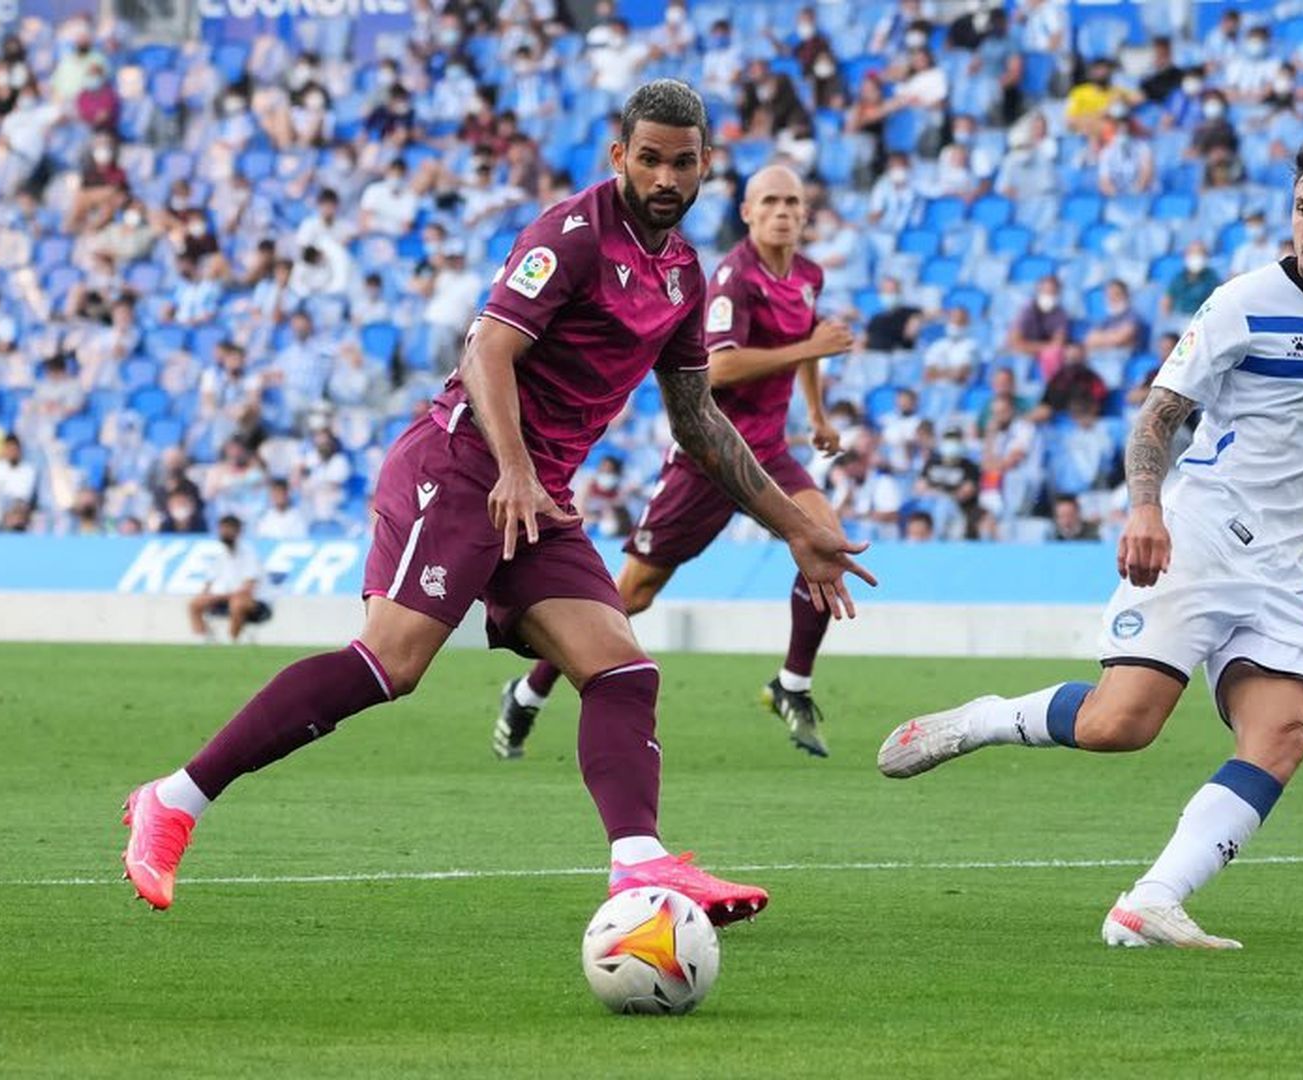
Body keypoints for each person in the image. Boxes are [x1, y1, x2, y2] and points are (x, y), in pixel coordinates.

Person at [119, 81, 872, 924]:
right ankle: (175, 800)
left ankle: (639, 866)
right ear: (620, 156)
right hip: (464, 462)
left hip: (534, 490)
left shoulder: (684, 276)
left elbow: (699, 422)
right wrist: (514, 468)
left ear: (704, 168)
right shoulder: (573, 235)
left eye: (682, 162)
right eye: (649, 158)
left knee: (621, 669)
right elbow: (487, 348)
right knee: (390, 665)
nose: (665, 176)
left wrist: (799, 528)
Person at [879, 143, 1303, 948]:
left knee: (1282, 733)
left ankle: (1151, 899)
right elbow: (1157, 416)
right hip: (1197, 536)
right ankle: (988, 718)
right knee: (1120, 726)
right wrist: (1146, 510)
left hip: (1285, 569)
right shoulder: (1241, 303)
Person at [494, 165, 855, 761]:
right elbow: (718, 369)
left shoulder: (808, 275)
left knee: (826, 544)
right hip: (707, 460)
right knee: (632, 595)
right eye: (770, 201)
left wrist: (816, 415)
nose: (783, 211)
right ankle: (529, 691)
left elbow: (808, 343)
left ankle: (791, 683)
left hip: (768, 453)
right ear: (747, 212)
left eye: (793, 201)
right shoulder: (733, 279)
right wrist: (811, 349)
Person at [186, 515, 272, 643]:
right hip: (225, 599)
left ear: (238, 532)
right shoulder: (220, 555)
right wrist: (205, 596)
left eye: (228, 529)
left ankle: (231, 641)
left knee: (237, 603)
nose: (224, 533)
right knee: (195, 603)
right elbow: (208, 584)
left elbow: (247, 591)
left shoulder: (249, 555)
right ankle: (203, 639)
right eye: (222, 529)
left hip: (256, 604)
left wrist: (217, 597)